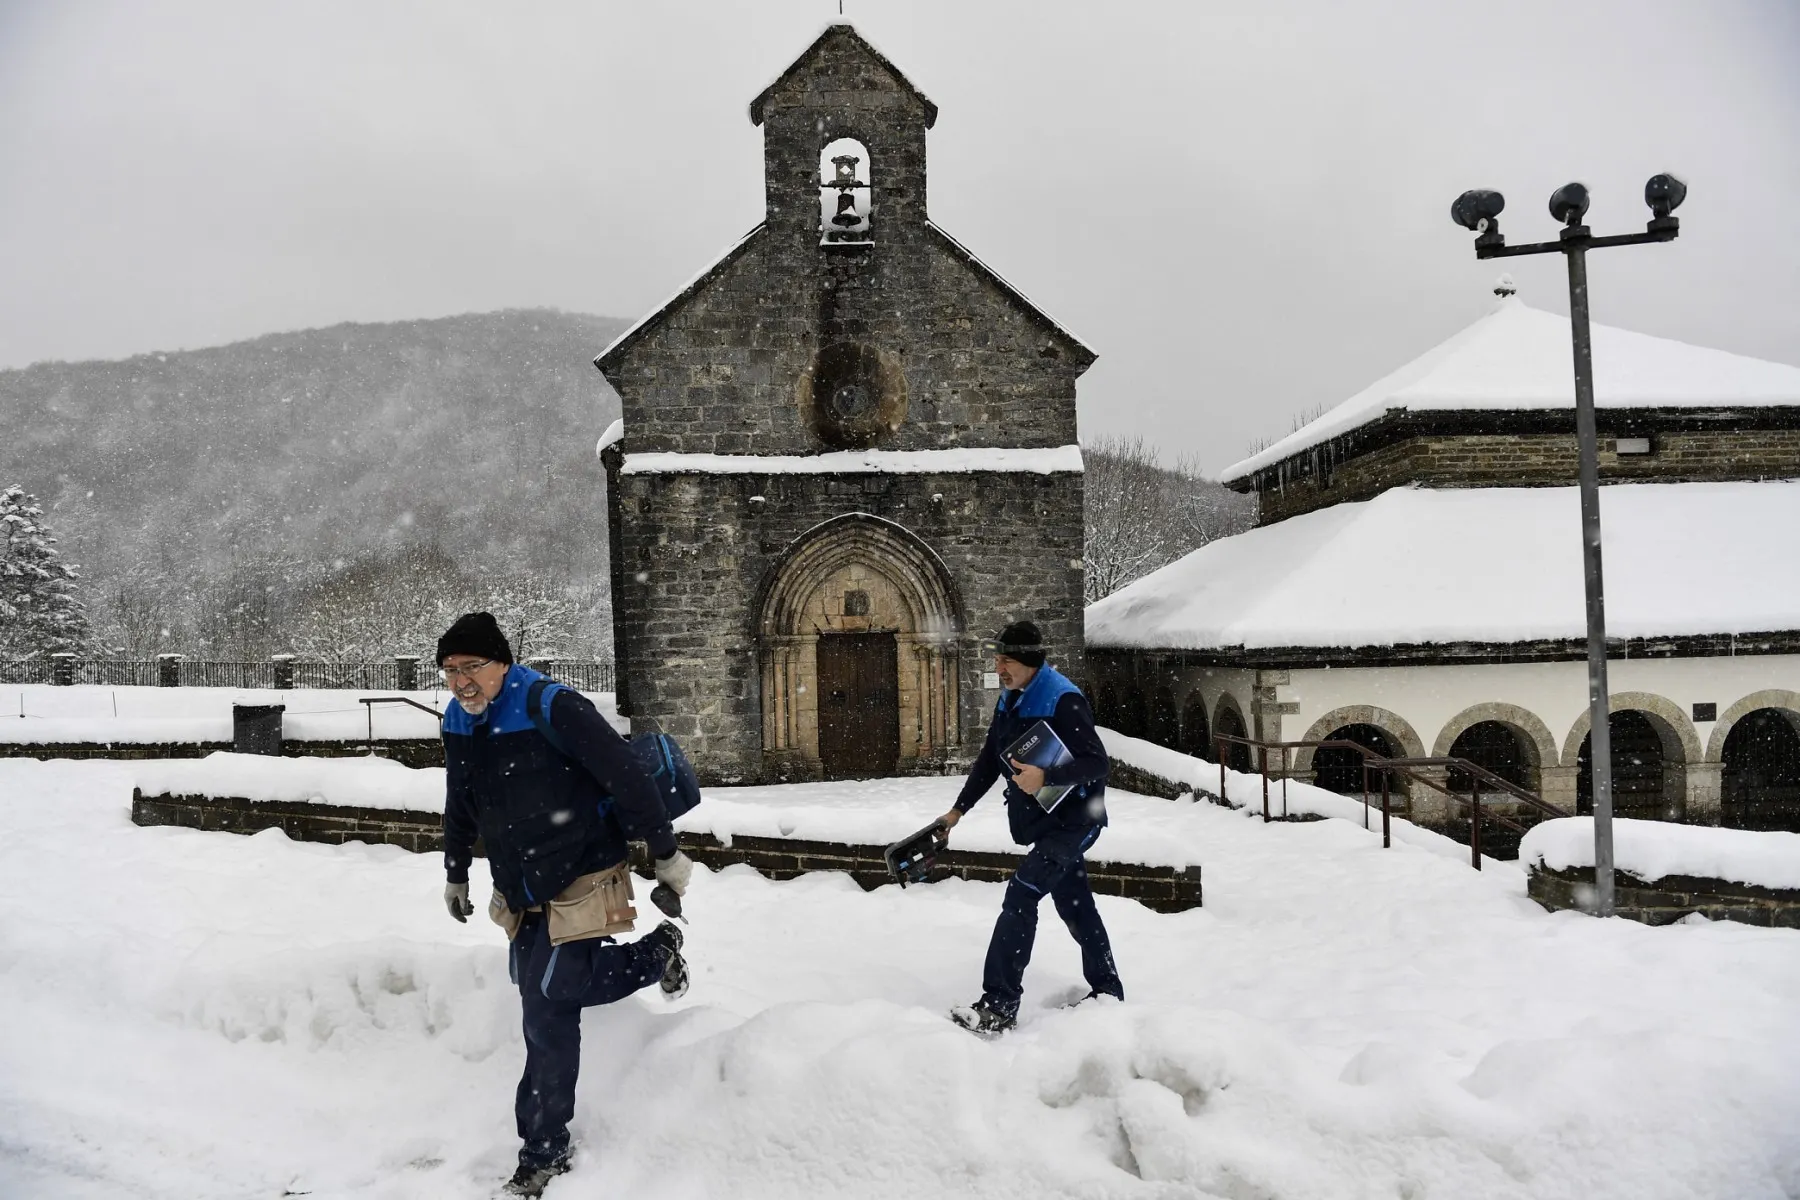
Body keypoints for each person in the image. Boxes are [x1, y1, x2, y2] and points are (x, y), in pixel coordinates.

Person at [436, 611, 697, 1197]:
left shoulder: (552, 707)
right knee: (545, 985)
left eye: (473, 667)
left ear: (503, 662)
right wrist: (456, 870)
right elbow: (461, 797)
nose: (461, 682)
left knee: (550, 1000)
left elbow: (627, 776)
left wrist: (666, 854)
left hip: (584, 869)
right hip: (521, 879)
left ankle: (544, 1148)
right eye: (450, 671)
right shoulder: (459, 718)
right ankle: (659, 953)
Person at [940, 621, 1123, 1035]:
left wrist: (1046, 777)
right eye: (998, 658)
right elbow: (991, 759)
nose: (998, 666)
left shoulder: (1063, 700)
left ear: (1028, 661)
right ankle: (1108, 989)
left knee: (1022, 894)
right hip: (1047, 821)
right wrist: (957, 812)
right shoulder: (1011, 699)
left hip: (1077, 820)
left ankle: (999, 1004)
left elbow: (1097, 763)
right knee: (1075, 905)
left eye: (1006, 660)